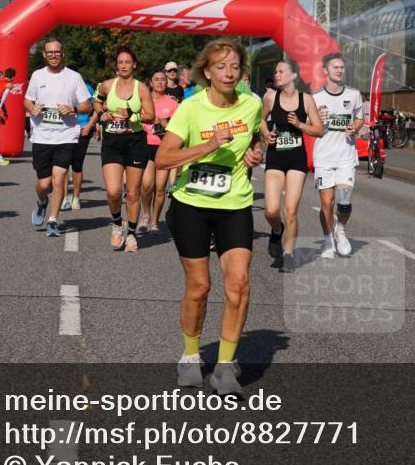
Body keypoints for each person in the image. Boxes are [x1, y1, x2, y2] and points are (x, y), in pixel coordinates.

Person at [155, 39, 264, 395]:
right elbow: (164, 159)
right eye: (221, 67)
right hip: (192, 205)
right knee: (199, 288)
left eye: (234, 66)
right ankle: (190, 356)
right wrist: (207, 146)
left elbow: (255, 141)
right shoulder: (191, 108)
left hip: (234, 204)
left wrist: (254, 153)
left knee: (239, 285)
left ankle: (224, 366)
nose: (229, 72)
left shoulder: (252, 104)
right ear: (206, 72)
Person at [24, 38, 93, 237]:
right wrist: (32, 107)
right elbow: (26, 100)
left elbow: (87, 106)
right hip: (42, 136)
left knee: (59, 177)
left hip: (66, 135)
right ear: (45, 55)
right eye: (50, 52)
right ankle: (41, 201)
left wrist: (72, 108)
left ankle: (53, 220)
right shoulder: (37, 76)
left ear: (63, 54)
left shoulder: (74, 77)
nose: (54, 55)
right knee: (44, 184)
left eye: (57, 52)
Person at [262, 60, 324, 272]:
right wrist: (266, 134)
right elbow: (259, 121)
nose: (277, 75)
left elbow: (319, 130)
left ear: (293, 76)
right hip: (275, 157)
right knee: (271, 210)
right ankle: (276, 230)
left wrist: (300, 125)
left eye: (281, 71)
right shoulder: (271, 97)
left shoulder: (306, 100)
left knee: (291, 210)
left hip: (297, 158)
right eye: (276, 71)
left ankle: (288, 254)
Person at [94, 47, 155, 251]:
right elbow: (97, 101)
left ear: (134, 65)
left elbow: (151, 116)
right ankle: (117, 223)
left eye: (127, 62)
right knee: (113, 192)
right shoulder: (107, 85)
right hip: (112, 142)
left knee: (132, 192)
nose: (123, 66)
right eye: (120, 62)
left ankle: (131, 234)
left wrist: (132, 116)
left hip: (135, 142)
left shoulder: (142, 89)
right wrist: (101, 113)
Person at [313, 53, 364, 258]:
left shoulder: (353, 94)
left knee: (344, 201)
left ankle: (340, 230)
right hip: (324, 157)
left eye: (342, 67)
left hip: (346, 156)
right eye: (335, 67)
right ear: (325, 70)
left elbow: (360, 118)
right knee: (326, 203)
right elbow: (309, 127)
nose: (340, 70)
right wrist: (318, 120)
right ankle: (327, 241)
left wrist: (355, 126)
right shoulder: (315, 97)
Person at [141, 70, 178, 234]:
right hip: (146, 145)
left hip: (164, 148)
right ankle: (146, 214)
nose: (160, 82)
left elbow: (178, 128)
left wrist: (165, 124)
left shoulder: (172, 103)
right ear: (151, 82)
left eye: (163, 80)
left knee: (161, 187)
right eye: (156, 80)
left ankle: (155, 221)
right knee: (147, 185)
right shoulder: (143, 100)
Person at [61, 79, 97, 211]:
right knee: (63, 165)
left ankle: (76, 198)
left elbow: (95, 110)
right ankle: (64, 198)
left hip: (82, 129)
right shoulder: (59, 85)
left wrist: (89, 125)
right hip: (64, 130)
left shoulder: (87, 88)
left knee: (77, 165)